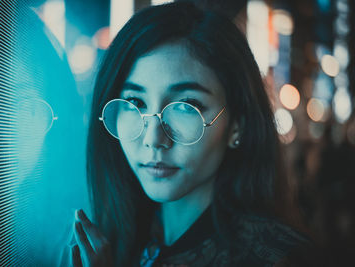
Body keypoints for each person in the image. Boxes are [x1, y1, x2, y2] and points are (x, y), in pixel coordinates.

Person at [65, 1, 309, 266]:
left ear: (237, 124)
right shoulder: (112, 237)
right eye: (135, 102)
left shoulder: (275, 257)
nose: (153, 139)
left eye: (185, 107)